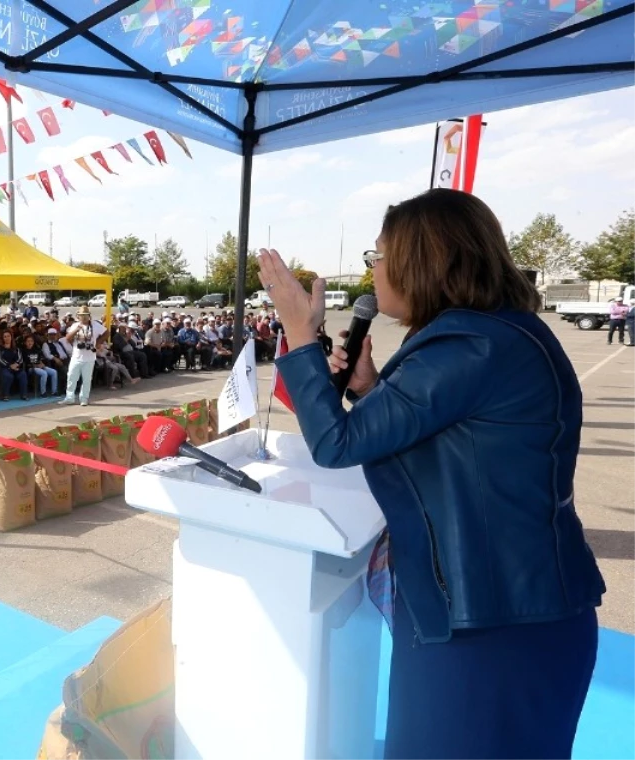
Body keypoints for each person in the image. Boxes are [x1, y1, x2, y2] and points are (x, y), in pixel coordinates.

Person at [258, 188, 604, 760]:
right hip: (508, 614)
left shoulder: (471, 346)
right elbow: (448, 436)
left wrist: (298, 331)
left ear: (421, 261)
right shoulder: (492, 334)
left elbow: (335, 444)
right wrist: (369, 389)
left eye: (378, 257)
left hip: (490, 632)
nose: (373, 271)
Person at [59, 306, 100, 407]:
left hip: (89, 357)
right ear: (78, 316)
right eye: (82, 315)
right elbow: (67, 338)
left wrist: (98, 343)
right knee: (71, 377)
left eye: (85, 315)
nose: (84, 317)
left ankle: (84, 398)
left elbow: (106, 333)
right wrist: (76, 330)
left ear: (89, 316)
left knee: (86, 379)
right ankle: (69, 398)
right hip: (76, 356)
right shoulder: (75, 325)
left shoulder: (95, 325)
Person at [0, 331, 27, 401]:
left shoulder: (16, 348)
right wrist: (10, 366)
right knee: (8, 376)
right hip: (4, 368)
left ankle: (23, 394)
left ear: (11, 337)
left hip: (15, 368)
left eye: (8, 336)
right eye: (5, 336)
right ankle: (5, 395)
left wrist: (16, 364)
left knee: (23, 374)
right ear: (2, 338)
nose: (7, 338)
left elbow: (20, 359)